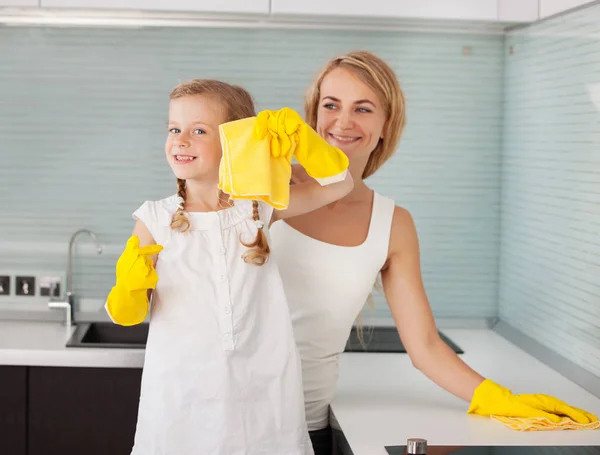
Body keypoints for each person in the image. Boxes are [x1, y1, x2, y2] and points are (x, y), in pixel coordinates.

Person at [269, 50, 598, 455]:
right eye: (331, 105)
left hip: (307, 427)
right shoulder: (266, 185)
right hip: (224, 415)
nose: (343, 121)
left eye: (364, 108)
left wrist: (500, 399)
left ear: (386, 125)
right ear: (313, 114)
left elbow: (424, 346)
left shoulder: (392, 225)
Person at [104, 79, 354, 455]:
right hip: (181, 400)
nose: (181, 139)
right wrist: (128, 289)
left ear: (236, 142)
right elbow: (125, 314)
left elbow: (340, 186)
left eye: (199, 130)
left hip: (260, 397)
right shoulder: (154, 218)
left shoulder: (257, 208)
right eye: (174, 129)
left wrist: (304, 140)